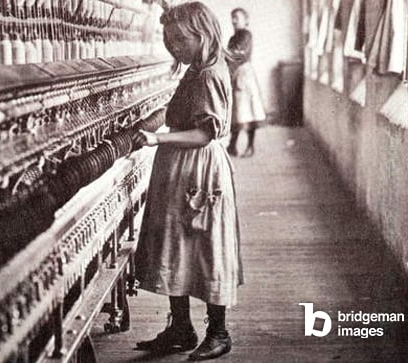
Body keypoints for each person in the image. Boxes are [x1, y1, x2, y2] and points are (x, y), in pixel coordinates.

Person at [133, 2, 243, 361]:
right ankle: (180, 328)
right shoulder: (198, 68)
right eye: (169, 39)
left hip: (198, 169)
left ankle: (219, 332)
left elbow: (203, 135)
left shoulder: (209, 73)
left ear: (204, 33)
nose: (174, 46)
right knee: (175, 244)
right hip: (180, 169)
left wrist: (156, 139)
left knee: (207, 247)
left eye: (181, 39)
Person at [227, 28, 266, 157]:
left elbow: (239, 55)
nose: (234, 21)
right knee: (237, 113)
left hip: (245, 76)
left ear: (245, 20)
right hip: (236, 75)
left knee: (250, 113)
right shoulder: (233, 38)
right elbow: (231, 56)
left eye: (237, 18)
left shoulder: (245, 35)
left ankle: (250, 146)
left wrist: (225, 53)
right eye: (233, 17)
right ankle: (232, 145)